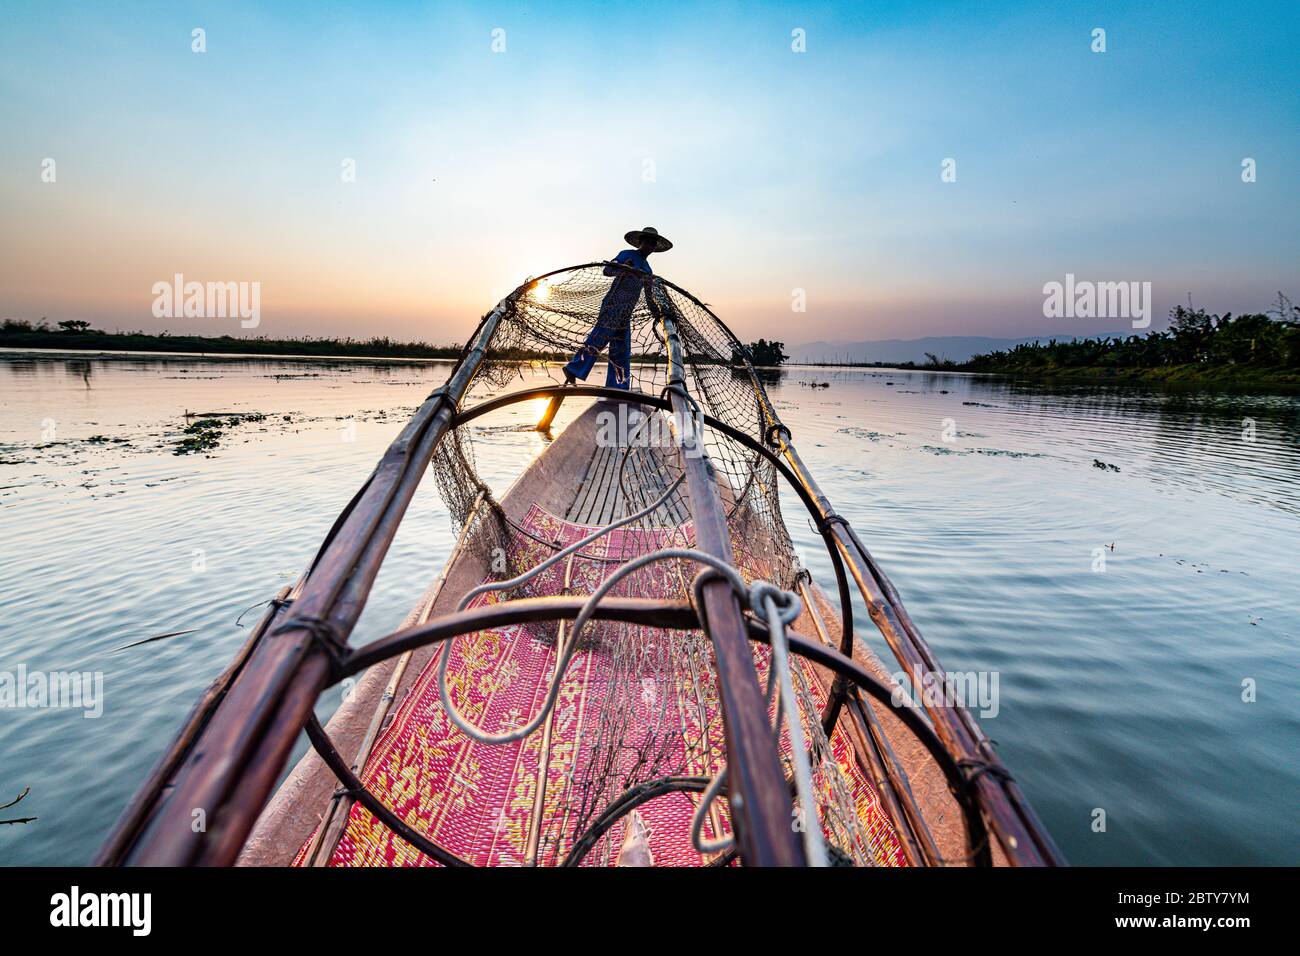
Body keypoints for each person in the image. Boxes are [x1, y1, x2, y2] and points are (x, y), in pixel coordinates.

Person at [562, 226, 673, 389]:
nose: (650, 246)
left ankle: (617, 386)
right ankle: (573, 368)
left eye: (653, 243)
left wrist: (657, 313)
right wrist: (622, 268)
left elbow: (649, 296)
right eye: (647, 242)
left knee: (621, 350)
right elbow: (607, 270)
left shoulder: (648, 269)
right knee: (599, 338)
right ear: (640, 242)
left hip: (625, 312)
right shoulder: (627, 254)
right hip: (613, 305)